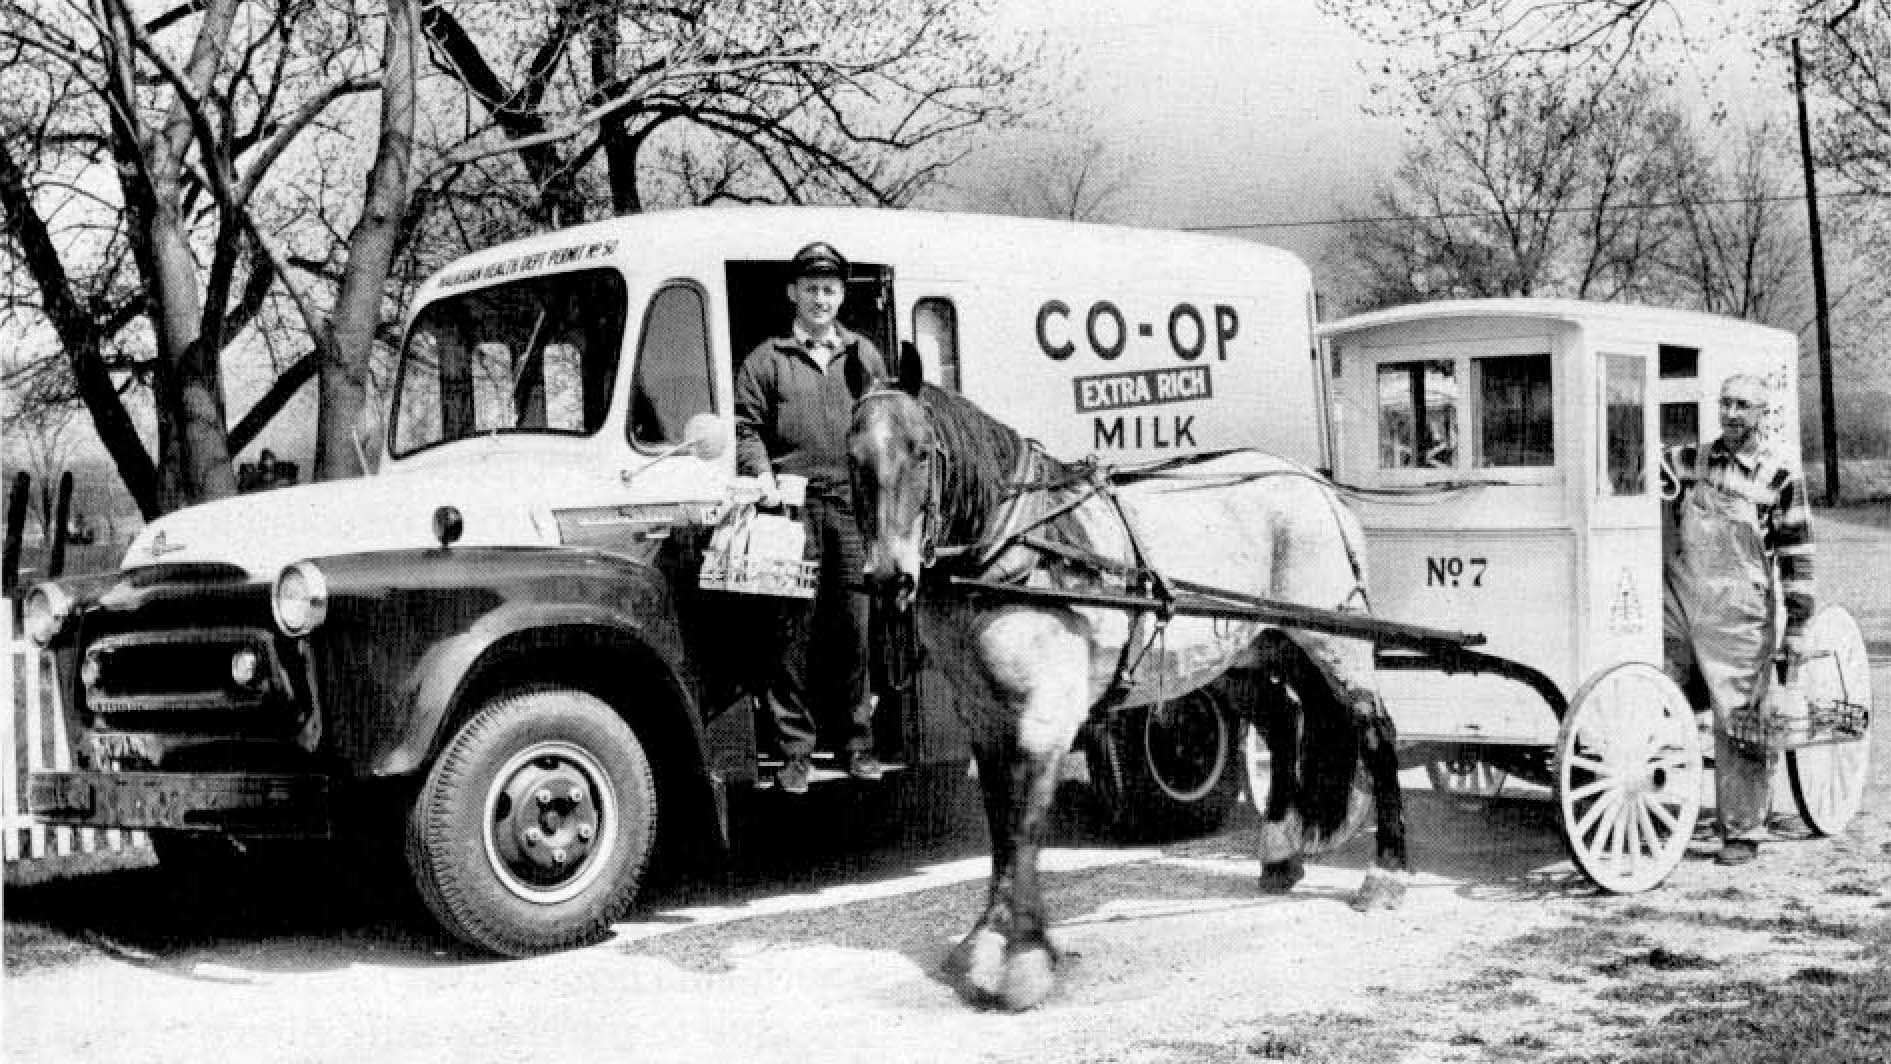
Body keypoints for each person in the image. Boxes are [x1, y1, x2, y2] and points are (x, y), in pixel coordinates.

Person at [733, 241, 887, 794]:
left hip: (849, 510)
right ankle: (794, 753)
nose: (821, 299)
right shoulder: (767, 358)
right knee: (788, 636)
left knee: (853, 632)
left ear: (842, 295)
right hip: (789, 514)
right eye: (812, 289)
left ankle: (856, 746)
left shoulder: (862, 355)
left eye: (831, 290)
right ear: (792, 293)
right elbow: (744, 428)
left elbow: (883, 421)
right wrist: (764, 478)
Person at [1661, 373, 1816, 866]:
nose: (1730, 413)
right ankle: (1666, 809)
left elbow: (1797, 555)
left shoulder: (1780, 475)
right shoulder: (1689, 459)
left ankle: (1743, 830)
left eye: (1742, 405)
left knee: (1739, 719)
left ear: (1762, 414)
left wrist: (1796, 627)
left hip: (1738, 610)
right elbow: (1646, 474)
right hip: (1682, 599)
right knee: (1657, 691)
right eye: (1725, 403)